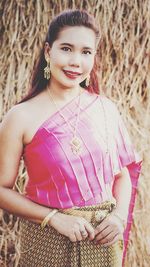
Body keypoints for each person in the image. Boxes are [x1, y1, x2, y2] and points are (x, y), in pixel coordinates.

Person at [0, 9, 142, 267]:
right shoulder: (20, 116)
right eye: (66, 48)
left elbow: (122, 176)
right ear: (47, 51)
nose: (76, 61)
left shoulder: (105, 109)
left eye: (86, 52)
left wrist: (118, 217)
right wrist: (54, 217)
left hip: (103, 242)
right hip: (48, 242)